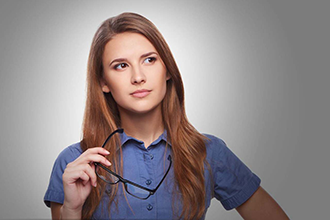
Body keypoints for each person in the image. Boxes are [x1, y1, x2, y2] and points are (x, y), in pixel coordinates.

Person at [44, 12, 289, 219]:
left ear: (167, 70)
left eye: (149, 60)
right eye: (121, 65)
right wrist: (72, 211)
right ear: (103, 82)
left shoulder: (209, 152)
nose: (138, 77)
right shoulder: (74, 163)